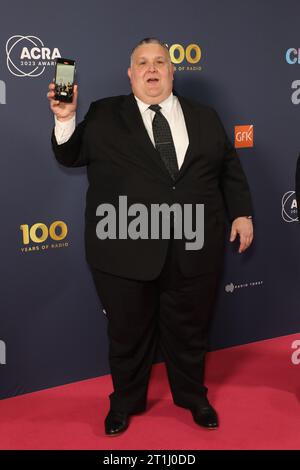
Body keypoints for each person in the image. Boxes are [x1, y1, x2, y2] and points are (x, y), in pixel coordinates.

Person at [47, 38, 254, 436]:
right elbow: (70, 154)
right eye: (142, 62)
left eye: (160, 60)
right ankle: (125, 403)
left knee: (190, 332)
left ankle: (193, 397)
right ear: (131, 73)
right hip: (123, 250)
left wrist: (242, 212)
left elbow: (228, 165)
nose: (152, 68)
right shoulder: (105, 114)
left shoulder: (205, 116)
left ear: (173, 70)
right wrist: (65, 118)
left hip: (194, 247)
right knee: (127, 335)